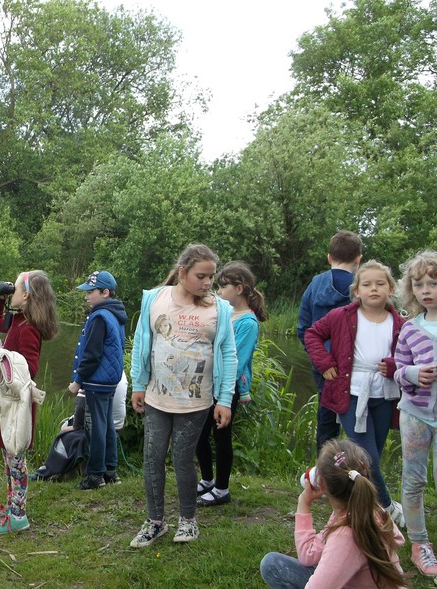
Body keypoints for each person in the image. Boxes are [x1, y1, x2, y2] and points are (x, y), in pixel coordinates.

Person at [129, 244, 237, 548]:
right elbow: (141, 343)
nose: (207, 283)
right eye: (201, 276)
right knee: (152, 457)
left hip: (196, 401)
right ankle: (155, 521)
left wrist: (225, 399)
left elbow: (228, 354)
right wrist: (139, 383)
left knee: (182, 458)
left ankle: (188, 521)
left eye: (211, 277)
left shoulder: (220, 308)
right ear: (182, 273)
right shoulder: (155, 298)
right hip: (156, 397)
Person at [304, 260, 405, 527]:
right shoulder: (342, 316)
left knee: (372, 458)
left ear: (390, 288)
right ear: (357, 290)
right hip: (350, 394)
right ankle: (386, 511)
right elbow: (312, 334)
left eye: (380, 284)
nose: (374, 289)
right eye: (367, 284)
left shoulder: (400, 323)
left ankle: (357, 506)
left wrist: (394, 365)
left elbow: (410, 356)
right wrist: (325, 364)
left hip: (385, 394)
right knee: (366, 457)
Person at [259, 438, 407, 589]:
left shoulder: (346, 535)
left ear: (322, 484)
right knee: (272, 564)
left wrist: (303, 502)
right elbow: (308, 556)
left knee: (274, 567)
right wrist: (303, 504)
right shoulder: (369, 509)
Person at [0, 270, 59, 535]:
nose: (11, 292)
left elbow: (30, 369)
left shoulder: (29, 329)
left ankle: (19, 516)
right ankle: (10, 507)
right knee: (8, 457)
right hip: (8, 402)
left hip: (18, 407)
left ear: (26, 295)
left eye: (13, 289)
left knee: (16, 462)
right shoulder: (19, 319)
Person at [195, 261, 267, 506]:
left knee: (221, 435)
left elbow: (236, 360)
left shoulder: (248, 323)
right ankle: (207, 480)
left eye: (223, 287)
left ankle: (222, 489)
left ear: (239, 288)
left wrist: (222, 393)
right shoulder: (222, 312)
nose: (219, 291)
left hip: (227, 387)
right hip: (208, 383)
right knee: (199, 434)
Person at [297, 230, 363, 453]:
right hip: (356, 365)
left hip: (324, 367)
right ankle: (356, 471)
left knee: (326, 421)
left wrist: (319, 360)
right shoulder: (363, 288)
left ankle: (325, 473)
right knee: (358, 421)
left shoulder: (316, 284)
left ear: (329, 258)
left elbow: (303, 328)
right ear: (358, 259)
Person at [393, 249, 437, 577]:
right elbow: (398, 369)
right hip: (415, 414)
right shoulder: (410, 329)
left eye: (433, 283)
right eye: (419, 284)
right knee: (414, 480)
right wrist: (412, 374)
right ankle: (419, 544)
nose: (426, 290)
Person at [68, 270, 128, 490]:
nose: (87, 296)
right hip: (110, 380)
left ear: (105, 292)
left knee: (96, 428)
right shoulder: (116, 314)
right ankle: (110, 471)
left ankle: (95, 476)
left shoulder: (100, 317)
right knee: (107, 425)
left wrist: (78, 380)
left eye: (91, 292)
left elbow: (92, 354)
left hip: (97, 381)